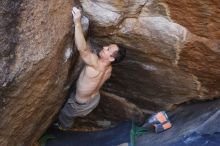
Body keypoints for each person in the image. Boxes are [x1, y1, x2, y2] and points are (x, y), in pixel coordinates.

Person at [58, 7, 126, 129]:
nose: (104, 47)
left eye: (108, 49)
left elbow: (83, 49)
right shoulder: (109, 69)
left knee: (65, 115)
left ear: (111, 59)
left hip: (79, 104)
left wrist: (77, 22)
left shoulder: (95, 64)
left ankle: (63, 129)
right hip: (94, 100)